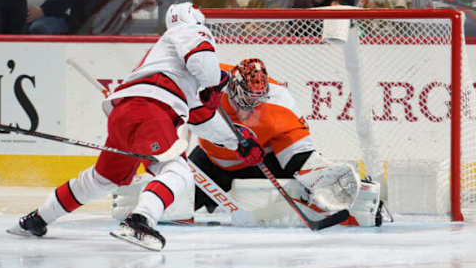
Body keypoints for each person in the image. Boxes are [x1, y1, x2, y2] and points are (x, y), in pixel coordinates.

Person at [6, 2, 265, 251]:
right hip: (151, 110)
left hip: (127, 113)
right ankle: (140, 221)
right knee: (178, 170)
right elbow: (206, 68)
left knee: (102, 179)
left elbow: (200, 117)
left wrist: (236, 142)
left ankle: (38, 218)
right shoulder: (189, 31)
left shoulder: (168, 61)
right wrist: (214, 84)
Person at [113, 58, 388, 227]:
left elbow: (299, 160)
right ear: (231, 87)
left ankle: (360, 202)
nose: (246, 112)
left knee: (304, 184)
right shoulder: (208, 80)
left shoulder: (281, 106)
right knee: (173, 208)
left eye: (254, 105)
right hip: (210, 161)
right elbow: (166, 86)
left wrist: (319, 175)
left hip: (259, 162)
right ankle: (138, 206)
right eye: (242, 103)